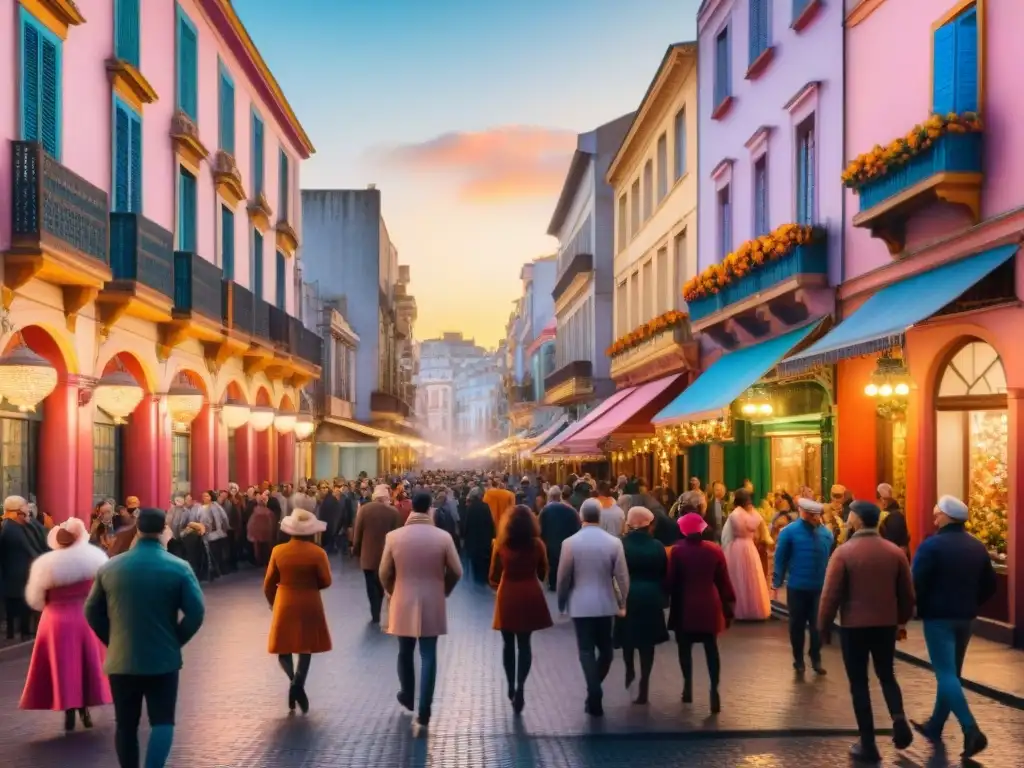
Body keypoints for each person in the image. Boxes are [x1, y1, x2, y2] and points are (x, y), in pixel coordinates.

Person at [84, 508, 205, 768]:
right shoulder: (179, 567)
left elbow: (91, 610)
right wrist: (175, 640)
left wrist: (112, 639)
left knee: (125, 725)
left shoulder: (110, 567)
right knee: (162, 721)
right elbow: (196, 613)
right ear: (163, 531)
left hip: (122, 659)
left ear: (137, 530)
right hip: (163, 659)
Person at [818, 500, 915, 763]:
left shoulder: (844, 552)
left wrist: (823, 627)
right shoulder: (894, 552)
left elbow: (830, 595)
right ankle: (898, 718)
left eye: (850, 515)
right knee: (887, 675)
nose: (848, 519)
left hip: (854, 626)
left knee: (859, 683)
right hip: (885, 625)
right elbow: (908, 594)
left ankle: (868, 743)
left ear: (858, 520)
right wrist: (901, 621)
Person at [910, 495, 996, 760]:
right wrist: (972, 603)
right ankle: (935, 724)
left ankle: (971, 730)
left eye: (937, 515)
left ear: (946, 518)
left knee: (945, 674)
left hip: (939, 618)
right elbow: (990, 584)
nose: (934, 518)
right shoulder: (977, 547)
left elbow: (916, 582)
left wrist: (916, 607)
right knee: (952, 674)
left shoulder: (932, 546)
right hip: (967, 618)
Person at [379, 492, 462, 733]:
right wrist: (443, 589)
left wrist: (392, 591)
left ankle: (407, 692)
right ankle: (424, 710)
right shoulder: (443, 537)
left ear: (412, 508)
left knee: (404, 651)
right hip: (432, 599)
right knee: (428, 655)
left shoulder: (394, 537)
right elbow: (457, 570)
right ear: (430, 509)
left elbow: (384, 572)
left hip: (402, 599)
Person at [20, 517, 111, 731]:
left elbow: (35, 599)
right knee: (86, 663)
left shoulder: (44, 564)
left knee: (63, 665)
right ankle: (84, 710)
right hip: (85, 617)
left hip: (55, 620)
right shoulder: (96, 558)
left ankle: (68, 710)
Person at [556, 500, 629, 717]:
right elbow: (622, 577)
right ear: (601, 517)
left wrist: (561, 602)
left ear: (581, 517)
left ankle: (594, 691)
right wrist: (623, 600)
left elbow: (563, 577)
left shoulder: (570, 543)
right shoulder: (614, 543)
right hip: (606, 603)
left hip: (580, 604)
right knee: (606, 651)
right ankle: (595, 689)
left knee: (586, 650)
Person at [665, 512, 735, 713]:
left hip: (684, 605)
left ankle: (688, 686)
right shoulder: (714, 551)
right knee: (711, 649)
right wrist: (728, 606)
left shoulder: (677, 552)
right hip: (709, 604)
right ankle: (714, 690)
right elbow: (723, 581)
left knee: (684, 649)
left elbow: (670, 581)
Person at [264, 509, 332, 713]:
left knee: (283, 648)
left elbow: (269, 582)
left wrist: (272, 602)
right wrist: (311, 585)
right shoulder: (318, 553)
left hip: (284, 600)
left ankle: (292, 681)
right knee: (305, 647)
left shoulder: (278, 551)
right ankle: (298, 685)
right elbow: (326, 580)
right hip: (310, 601)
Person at [488, 504, 552, 713]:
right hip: (530, 591)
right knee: (525, 644)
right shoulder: (537, 545)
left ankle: (510, 685)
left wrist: (499, 585)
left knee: (508, 644)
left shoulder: (502, 545)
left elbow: (493, 576)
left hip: (508, 593)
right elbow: (543, 571)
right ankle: (522, 686)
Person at [613, 507, 669, 705]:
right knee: (648, 644)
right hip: (651, 597)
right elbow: (664, 572)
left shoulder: (621, 545)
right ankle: (644, 683)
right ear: (649, 525)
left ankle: (629, 669)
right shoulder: (657, 546)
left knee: (628, 638)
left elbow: (615, 571)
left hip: (628, 597)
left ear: (629, 523)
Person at [772, 497, 833, 675]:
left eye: (817, 515)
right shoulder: (789, 532)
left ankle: (816, 657)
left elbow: (829, 558)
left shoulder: (826, 534)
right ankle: (798, 659)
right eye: (811, 514)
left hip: (819, 587)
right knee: (797, 625)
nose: (815, 518)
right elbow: (780, 558)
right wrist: (777, 581)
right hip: (797, 587)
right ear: (803, 513)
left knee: (817, 625)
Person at [352, 484, 403, 625]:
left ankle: (375, 613)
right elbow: (398, 536)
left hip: (368, 557)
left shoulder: (364, 510)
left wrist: (356, 550)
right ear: (386, 498)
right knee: (383, 585)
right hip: (387, 557)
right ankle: (384, 607)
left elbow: (358, 533)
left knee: (370, 585)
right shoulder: (393, 512)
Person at [720, 489, 772, 620]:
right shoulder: (755, 514)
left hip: (737, 547)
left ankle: (739, 609)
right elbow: (760, 530)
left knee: (738, 577)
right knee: (753, 577)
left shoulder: (735, 514)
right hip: (750, 546)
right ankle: (755, 608)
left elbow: (728, 534)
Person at [1, 495, 46, 640]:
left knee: (25, 604)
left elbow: (42, 535)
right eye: (25, 506)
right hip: (14, 574)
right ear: (17, 511)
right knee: (15, 606)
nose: (29, 509)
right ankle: (14, 633)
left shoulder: (25, 524)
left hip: (25, 572)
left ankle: (24, 631)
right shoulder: (9, 529)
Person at [538, 486, 580, 591]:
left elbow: (540, 529)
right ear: (559, 496)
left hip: (551, 544)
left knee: (553, 564)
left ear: (550, 496)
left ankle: (553, 584)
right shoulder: (570, 510)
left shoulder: (545, 511)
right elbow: (577, 527)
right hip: (567, 543)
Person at [463, 486, 496, 585]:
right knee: (484, 561)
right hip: (484, 539)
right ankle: (484, 580)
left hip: (473, 540)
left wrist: (466, 539)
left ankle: (476, 582)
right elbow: (490, 523)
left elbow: (467, 525)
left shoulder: (470, 508)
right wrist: (492, 535)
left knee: (474, 562)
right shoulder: (485, 506)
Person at [877, 483, 910, 558]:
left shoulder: (891, 516)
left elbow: (895, 542)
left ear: (883, 500)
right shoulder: (897, 513)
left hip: (892, 557)